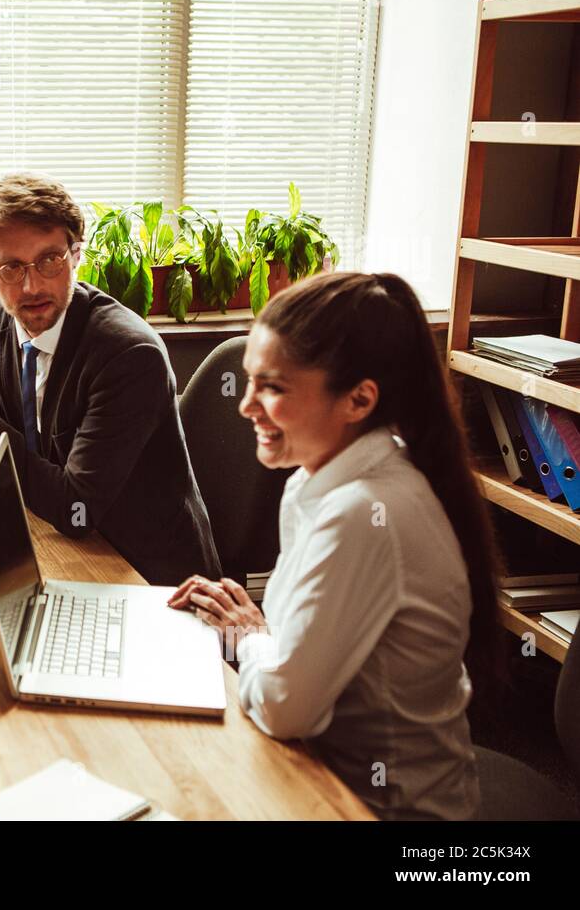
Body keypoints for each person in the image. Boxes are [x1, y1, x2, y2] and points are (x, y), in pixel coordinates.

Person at [169, 272, 497, 821]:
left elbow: (283, 708)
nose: (246, 405)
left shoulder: (362, 515)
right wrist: (264, 639)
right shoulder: (318, 480)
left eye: (272, 387)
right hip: (320, 769)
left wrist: (251, 639)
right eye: (249, 382)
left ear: (358, 400)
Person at [0, 172, 220, 584]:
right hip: (55, 539)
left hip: (148, 575)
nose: (33, 285)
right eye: (11, 267)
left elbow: (78, 509)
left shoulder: (128, 354)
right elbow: (4, 441)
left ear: (75, 255)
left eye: (50, 259)